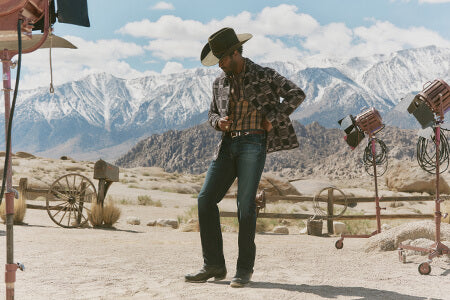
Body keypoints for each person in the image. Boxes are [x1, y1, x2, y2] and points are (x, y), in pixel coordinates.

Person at [185, 27, 306, 288]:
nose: (219, 64)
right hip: (227, 145)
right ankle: (214, 265)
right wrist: (220, 123)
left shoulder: (264, 75)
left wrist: (272, 119)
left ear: (236, 53)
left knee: (245, 206)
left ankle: (243, 270)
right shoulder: (219, 82)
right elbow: (211, 115)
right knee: (205, 200)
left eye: (223, 59)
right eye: (217, 60)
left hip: (254, 142)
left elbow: (297, 94)